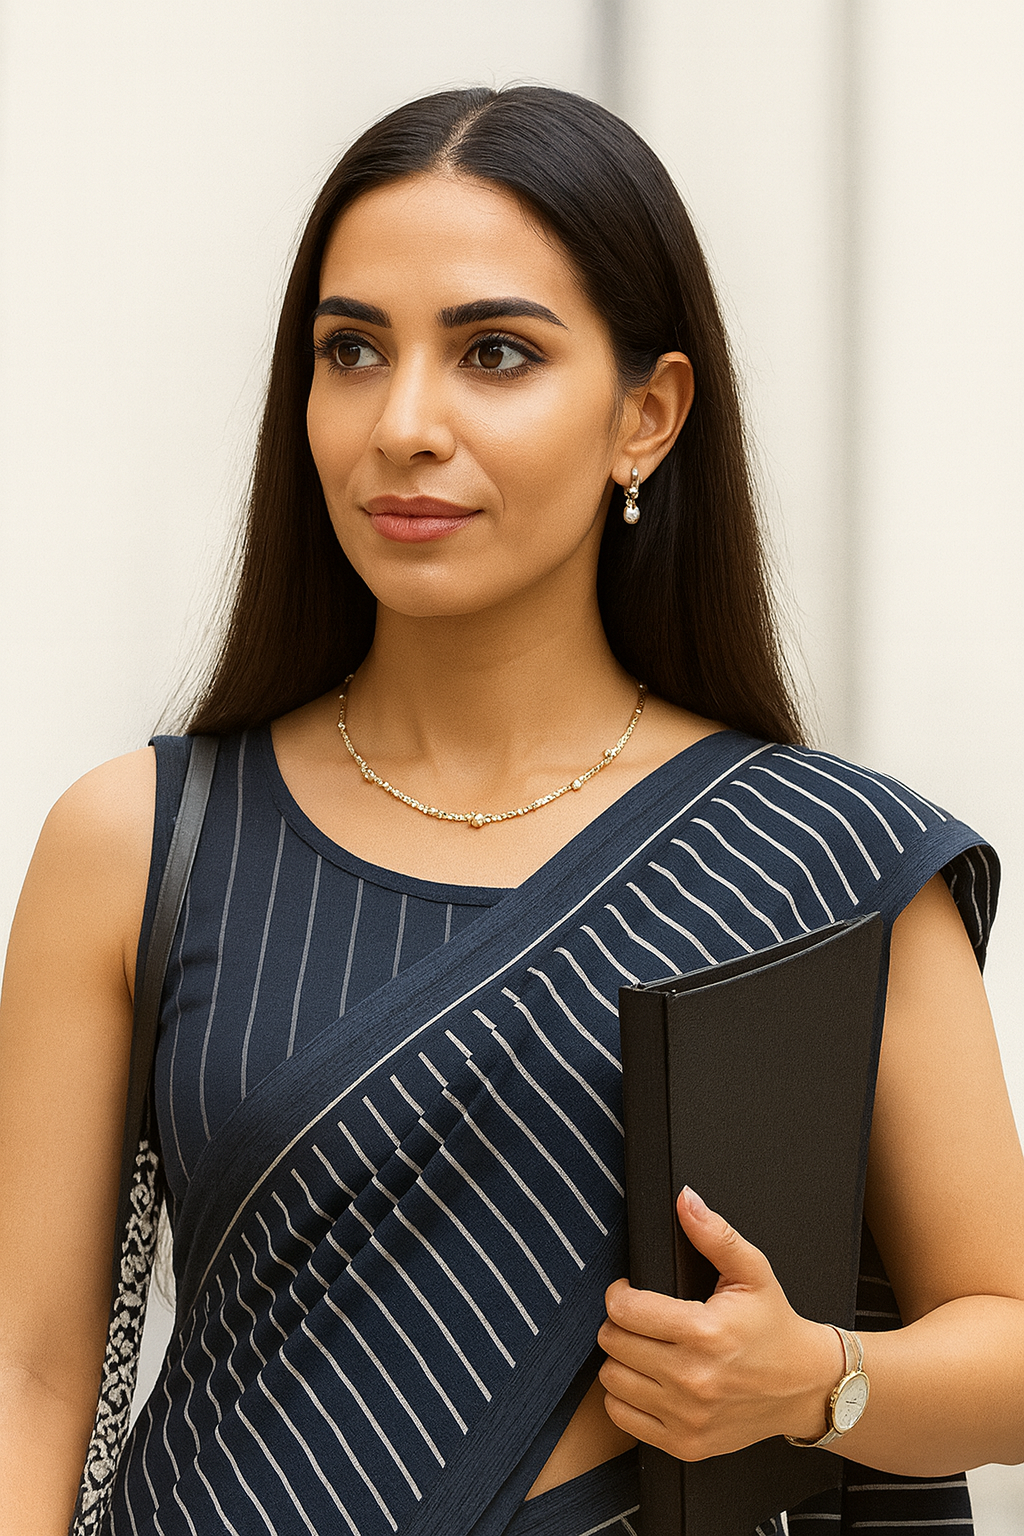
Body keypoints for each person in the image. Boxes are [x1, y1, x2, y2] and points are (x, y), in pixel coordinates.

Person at [0, 84, 1021, 1536]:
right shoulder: (138, 845)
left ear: (647, 417)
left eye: (494, 354)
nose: (404, 423)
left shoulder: (827, 860)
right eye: (352, 351)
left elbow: (1008, 1334)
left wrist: (811, 1383)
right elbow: (30, 1373)